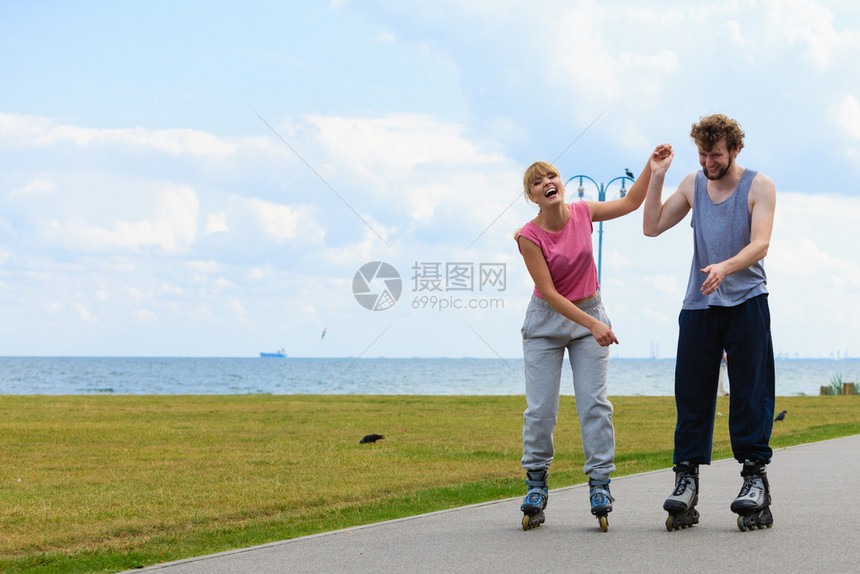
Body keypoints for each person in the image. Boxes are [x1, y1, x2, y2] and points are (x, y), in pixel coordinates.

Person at [515, 144, 672, 532]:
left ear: (561, 184)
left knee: (594, 405)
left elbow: (633, 202)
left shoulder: (584, 213)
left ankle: (599, 483)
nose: (545, 183)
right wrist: (593, 324)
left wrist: (652, 168)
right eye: (536, 182)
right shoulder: (528, 236)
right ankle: (536, 484)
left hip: (589, 310)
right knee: (540, 410)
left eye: (550, 176)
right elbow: (549, 293)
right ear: (531, 196)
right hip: (546, 324)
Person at [643, 114, 777, 532]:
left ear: (735, 149)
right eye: (702, 154)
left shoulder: (759, 185)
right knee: (693, 395)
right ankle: (686, 482)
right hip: (699, 306)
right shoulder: (692, 183)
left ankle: (754, 480)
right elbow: (651, 227)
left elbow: (761, 244)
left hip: (747, 303)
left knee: (750, 393)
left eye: (715, 154)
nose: (708, 162)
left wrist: (725, 266)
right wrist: (656, 176)